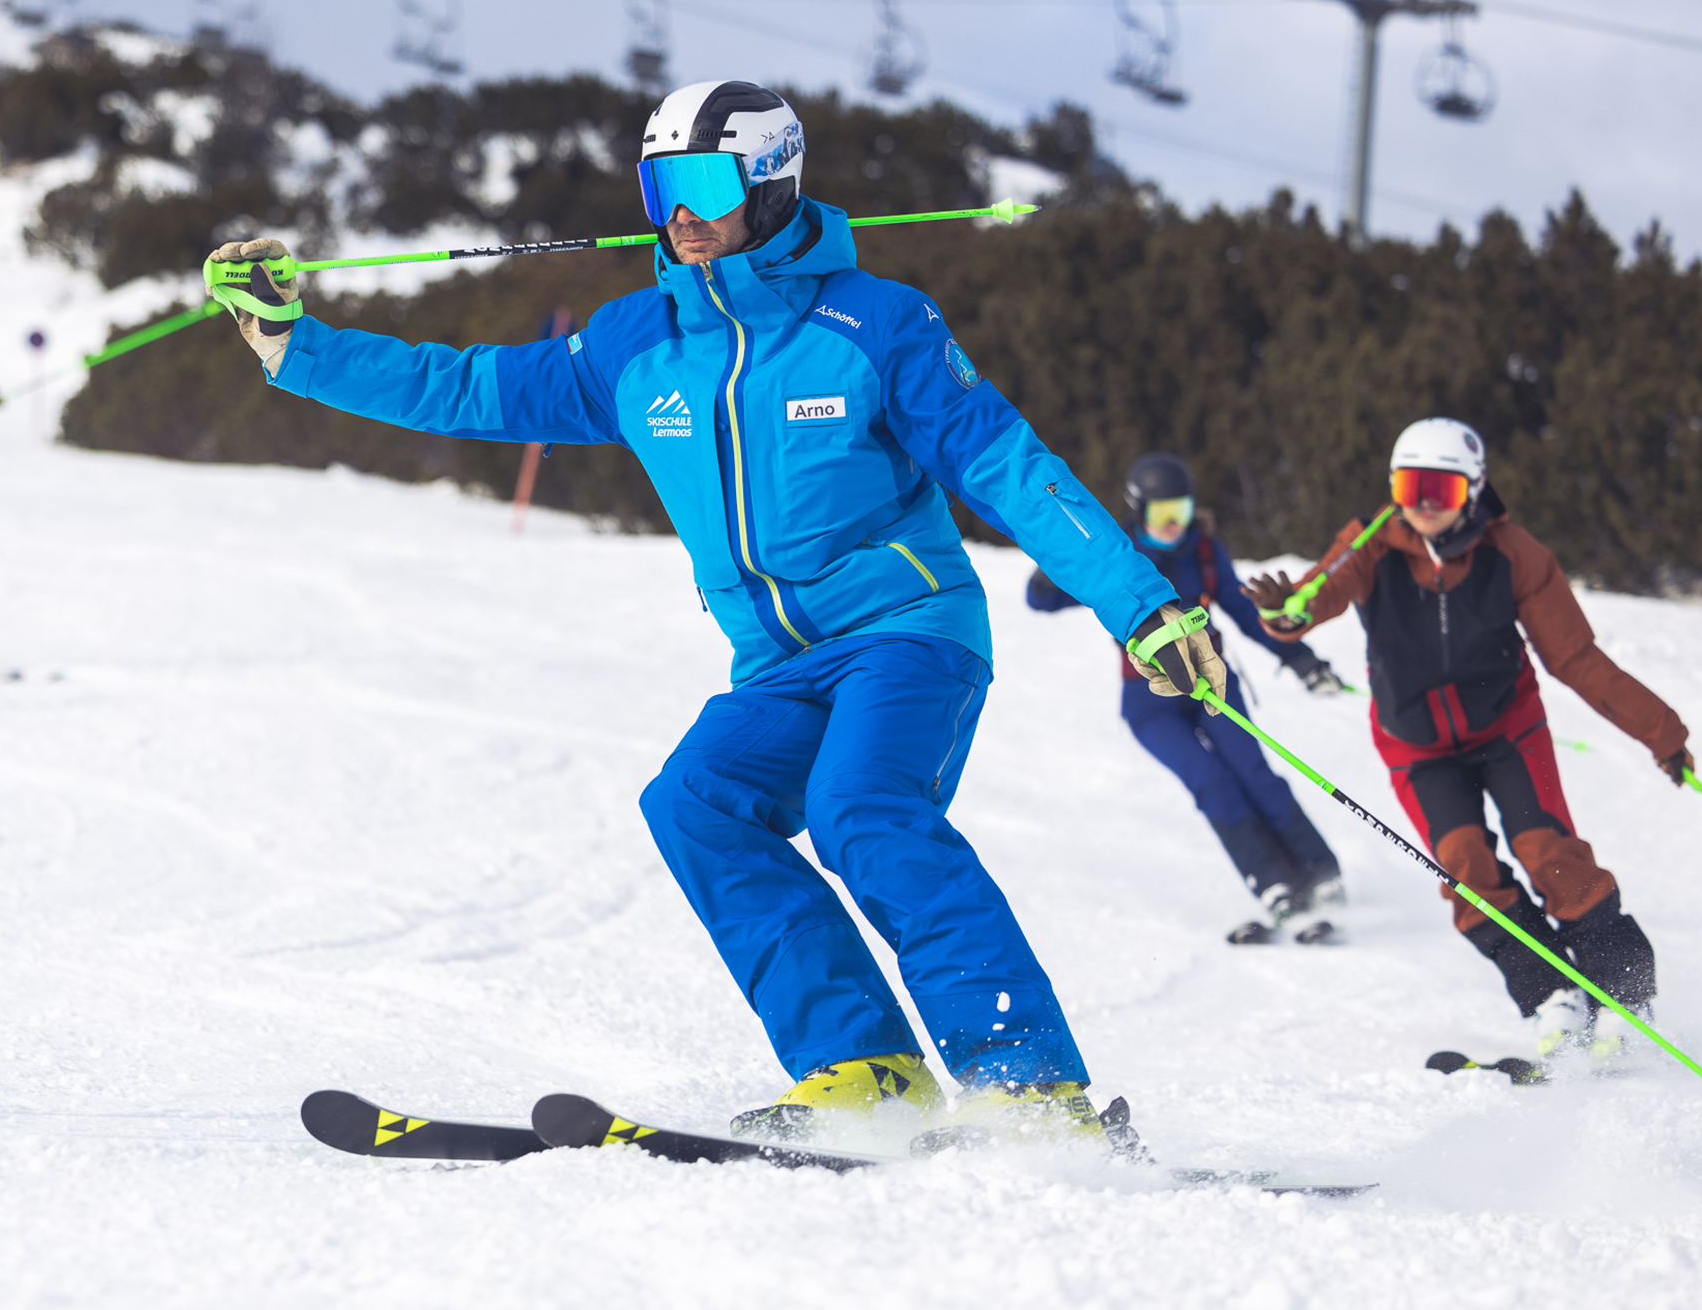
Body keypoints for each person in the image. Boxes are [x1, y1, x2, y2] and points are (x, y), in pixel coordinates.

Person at [208, 80, 1226, 1150]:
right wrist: (296, 345)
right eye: (660, 185)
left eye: (701, 181)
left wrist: (1139, 605)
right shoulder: (635, 342)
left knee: (860, 803)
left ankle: (1026, 1084)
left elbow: (1007, 468)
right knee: (694, 798)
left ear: (772, 180)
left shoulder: (874, 324)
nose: (679, 211)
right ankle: (865, 1064)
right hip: (777, 661)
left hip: (907, 633)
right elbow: (466, 388)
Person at [1243, 418, 1686, 1062]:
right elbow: (1317, 594)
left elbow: (1577, 658)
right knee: (1466, 871)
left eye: (1440, 490)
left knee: (1549, 852)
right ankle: (1551, 992)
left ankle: (1624, 990)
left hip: (1508, 728)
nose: (1422, 503)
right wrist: (1286, 613)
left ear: (1473, 491)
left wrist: (1661, 732)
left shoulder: (1515, 554)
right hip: (1417, 746)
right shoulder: (1368, 544)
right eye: (1408, 485)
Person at [1026, 452, 1347, 944]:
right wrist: (1051, 565)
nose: (1173, 524)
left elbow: (1243, 612)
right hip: (1148, 698)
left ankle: (1319, 873)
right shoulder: (1117, 555)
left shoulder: (1204, 551)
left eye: (1181, 509)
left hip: (1212, 681)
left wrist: (1303, 661)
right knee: (1210, 781)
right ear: (1138, 512)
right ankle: (1274, 884)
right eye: (1160, 514)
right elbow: (1042, 601)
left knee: (1253, 769)